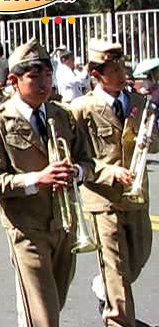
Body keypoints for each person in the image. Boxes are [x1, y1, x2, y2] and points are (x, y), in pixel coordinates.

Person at [0, 37, 94, 327]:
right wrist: (36, 180)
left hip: (65, 226)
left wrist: (76, 173)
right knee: (44, 317)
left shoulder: (63, 115)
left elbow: (88, 162)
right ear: (14, 80)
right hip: (26, 228)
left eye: (47, 75)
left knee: (51, 303)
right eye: (34, 76)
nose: (44, 83)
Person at [71, 39, 159, 326]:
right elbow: (77, 158)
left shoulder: (138, 102)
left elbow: (153, 145)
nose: (122, 73)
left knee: (140, 255)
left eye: (123, 65)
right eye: (114, 68)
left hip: (136, 197)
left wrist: (150, 139)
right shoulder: (82, 109)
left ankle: (103, 286)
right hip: (103, 200)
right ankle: (118, 319)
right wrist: (110, 173)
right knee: (118, 274)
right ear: (96, 75)